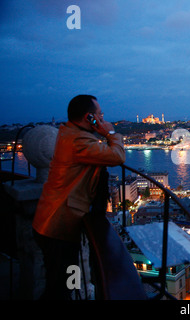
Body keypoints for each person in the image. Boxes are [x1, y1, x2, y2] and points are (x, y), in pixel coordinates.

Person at [32, 95, 125, 300]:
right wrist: (110, 132)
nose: (102, 118)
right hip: (58, 227)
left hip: (55, 223)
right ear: (89, 117)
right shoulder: (78, 140)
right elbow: (117, 157)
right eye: (100, 115)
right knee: (60, 286)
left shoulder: (70, 132)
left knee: (64, 278)